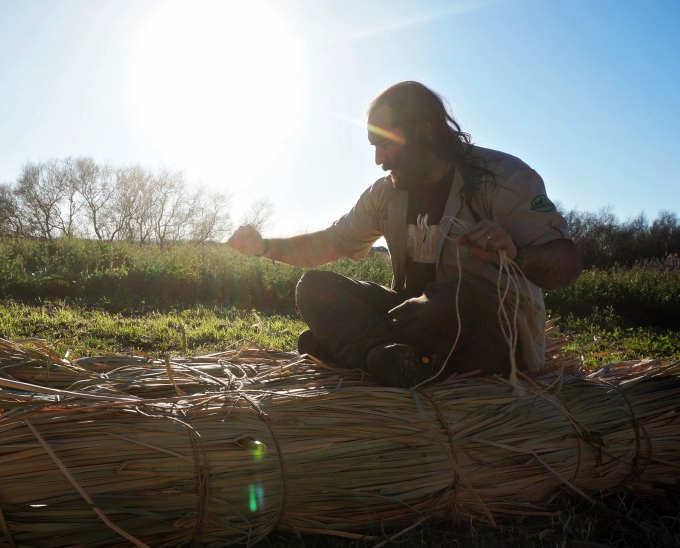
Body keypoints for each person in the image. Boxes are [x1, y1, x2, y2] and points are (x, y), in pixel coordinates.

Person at [227, 81, 582, 386]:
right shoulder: (386, 193)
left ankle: (355, 348)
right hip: (411, 322)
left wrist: (516, 253)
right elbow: (331, 242)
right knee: (316, 288)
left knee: (445, 302)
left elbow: (567, 265)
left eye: (385, 144)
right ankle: (381, 356)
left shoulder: (502, 179)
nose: (379, 159)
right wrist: (264, 247)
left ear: (424, 130)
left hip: (489, 332)